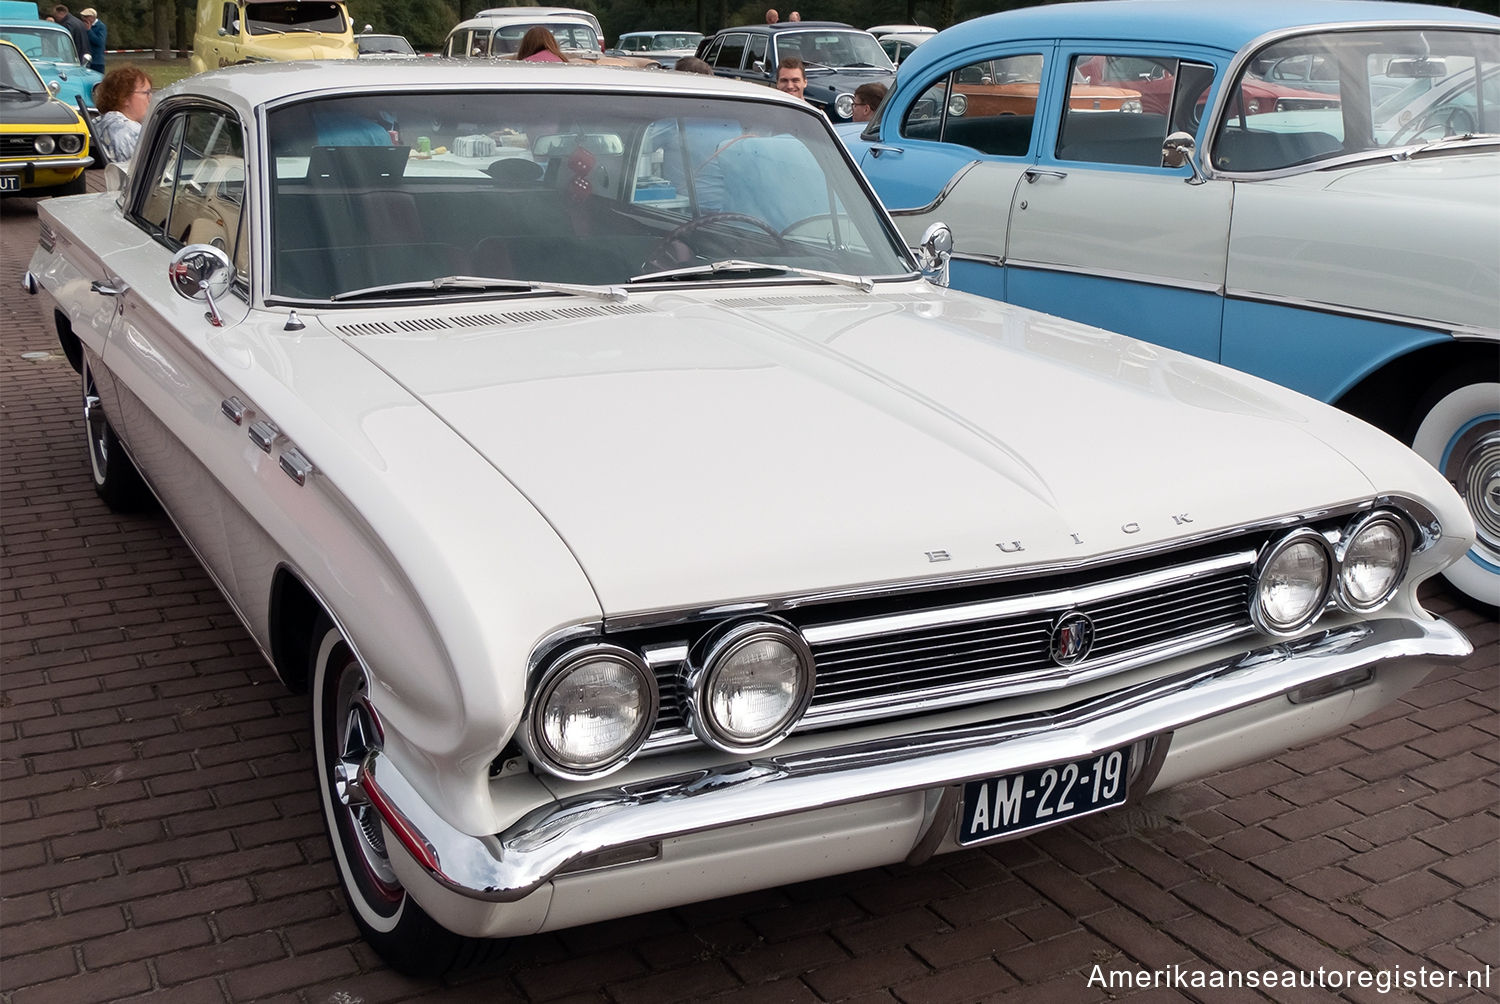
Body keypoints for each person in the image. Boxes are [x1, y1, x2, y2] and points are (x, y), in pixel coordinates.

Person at [93, 64, 151, 162]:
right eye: (146, 93)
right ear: (124, 98)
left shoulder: (100, 123)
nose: (150, 98)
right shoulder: (130, 132)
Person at [79, 7, 105, 73]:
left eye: (86, 16)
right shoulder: (82, 26)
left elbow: (99, 42)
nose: (84, 19)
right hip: (85, 60)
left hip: (96, 62)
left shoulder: (101, 26)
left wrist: (89, 30)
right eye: (83, 16)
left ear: (92, 17)